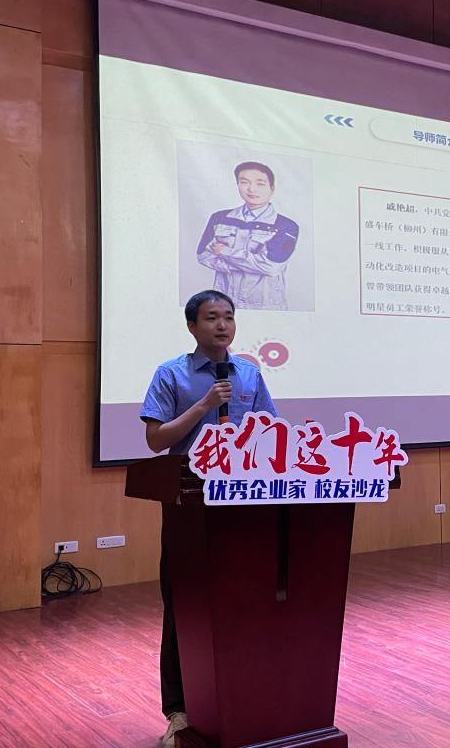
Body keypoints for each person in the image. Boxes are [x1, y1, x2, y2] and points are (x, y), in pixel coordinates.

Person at [139, 289, 277, 747]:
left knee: (244, 603)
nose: (222, 325)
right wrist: (202, 406)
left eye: (228, 317)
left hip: (244, 505)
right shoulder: (171, 374)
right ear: (192, 326)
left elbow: (270, 434)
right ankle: (179, 712)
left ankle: (243, 697)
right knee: (184, 608)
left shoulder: (250, 375)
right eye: (212, 317)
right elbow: (156, 440)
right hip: (189, 506)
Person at [196, 161, 299, 311]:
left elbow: (271, 266)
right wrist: (246, 266)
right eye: (244, 182)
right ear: (237, 185)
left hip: (265, 306)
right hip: (223, 304)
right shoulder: (219, 218)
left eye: (260, 183)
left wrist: (224, 251)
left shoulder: (286, 226)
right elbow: (202, 255)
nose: (251, 189)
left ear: (272, 188)